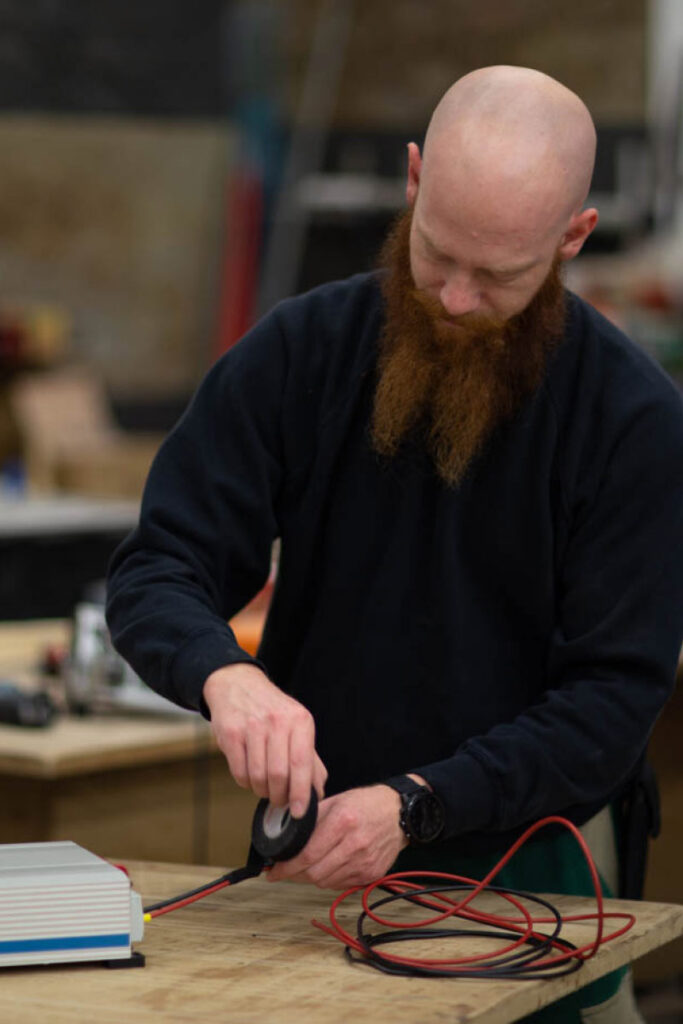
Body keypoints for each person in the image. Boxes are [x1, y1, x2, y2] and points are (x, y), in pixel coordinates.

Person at [106, 66, 683, 1022]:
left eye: (498, 275)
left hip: (530, 875)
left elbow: (610, 700)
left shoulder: (634, 423)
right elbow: (161, 566)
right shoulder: (300, 352)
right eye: (436, 254)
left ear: (573, 238)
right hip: (314, 865)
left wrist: (416, 805)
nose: (453, 300)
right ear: (412, 181)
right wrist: (224, 676)